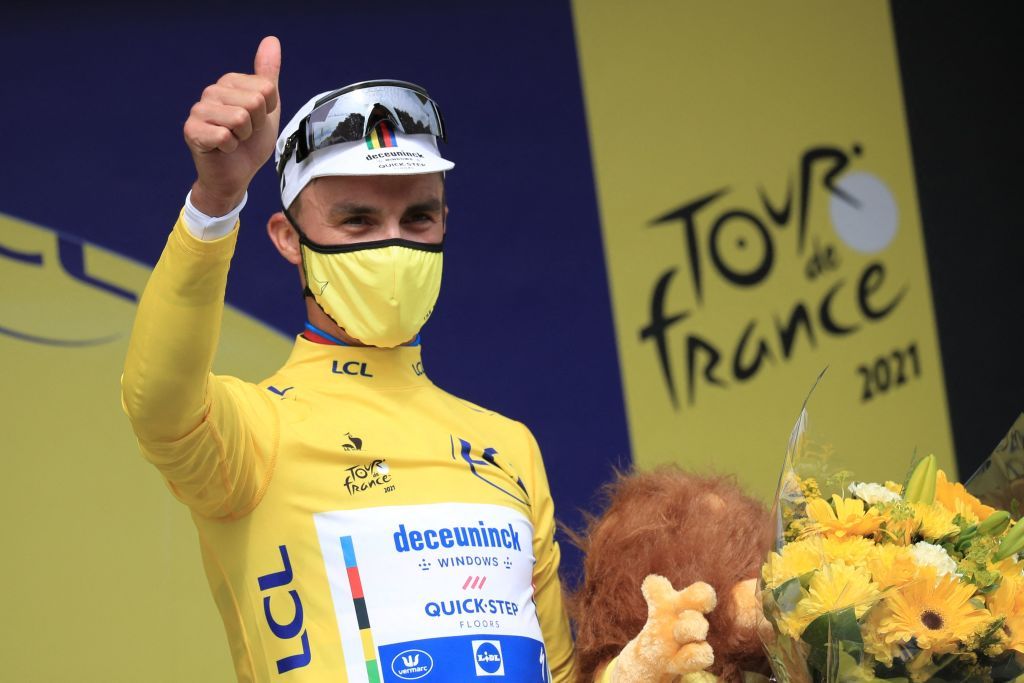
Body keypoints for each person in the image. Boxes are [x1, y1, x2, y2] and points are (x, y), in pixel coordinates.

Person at [121, 36, 574, 682]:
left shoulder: (511, 447)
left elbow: (559, 671)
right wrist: (215, 201)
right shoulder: (256, 435)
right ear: (288, 238)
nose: (392, 243)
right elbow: (156, 402)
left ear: (446, 222)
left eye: (418, 217)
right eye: (357, 221)